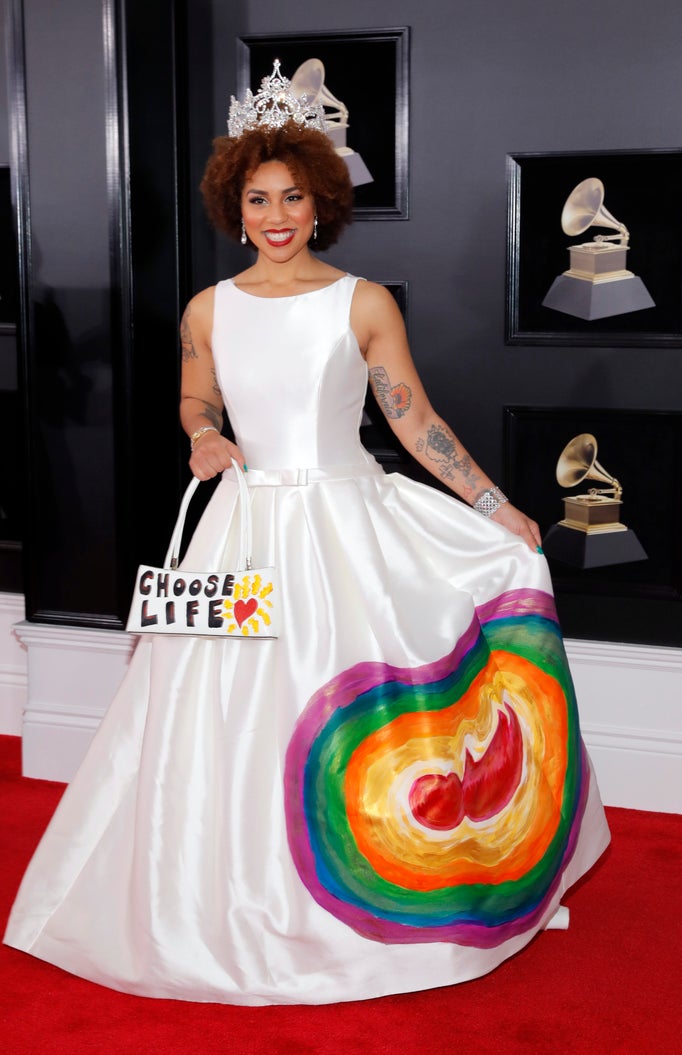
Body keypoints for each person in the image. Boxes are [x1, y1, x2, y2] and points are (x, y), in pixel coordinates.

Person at [4, 62, 610, 1005]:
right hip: (242, 529)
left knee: (363, 711)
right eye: (258, 197)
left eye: (293, 195)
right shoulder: (209, 309)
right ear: (234, 205)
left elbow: (414, 423)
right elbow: (194, 395)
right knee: (211, 724)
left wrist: (495, 508)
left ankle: (380, 898)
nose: (276, 214)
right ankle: (212, 900)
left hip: (345, 527)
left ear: (322, 202)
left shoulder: (362, 303)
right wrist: (204, 435)